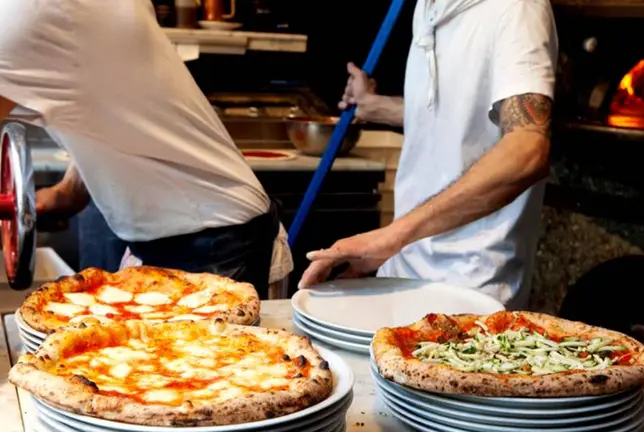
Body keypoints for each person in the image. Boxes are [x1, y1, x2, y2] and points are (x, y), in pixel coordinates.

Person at [0, 0, 292, 297]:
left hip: (217, 253)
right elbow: (100, 103)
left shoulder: (21, 18)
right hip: (190, 241)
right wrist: (69, 191)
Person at [298, 0, 558, 309]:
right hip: (403, 267)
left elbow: (528, 148)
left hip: (471, 286)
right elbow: (459, 116)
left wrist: (392, 235)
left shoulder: (517, 9)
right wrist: (378, 106)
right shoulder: (428, 6)